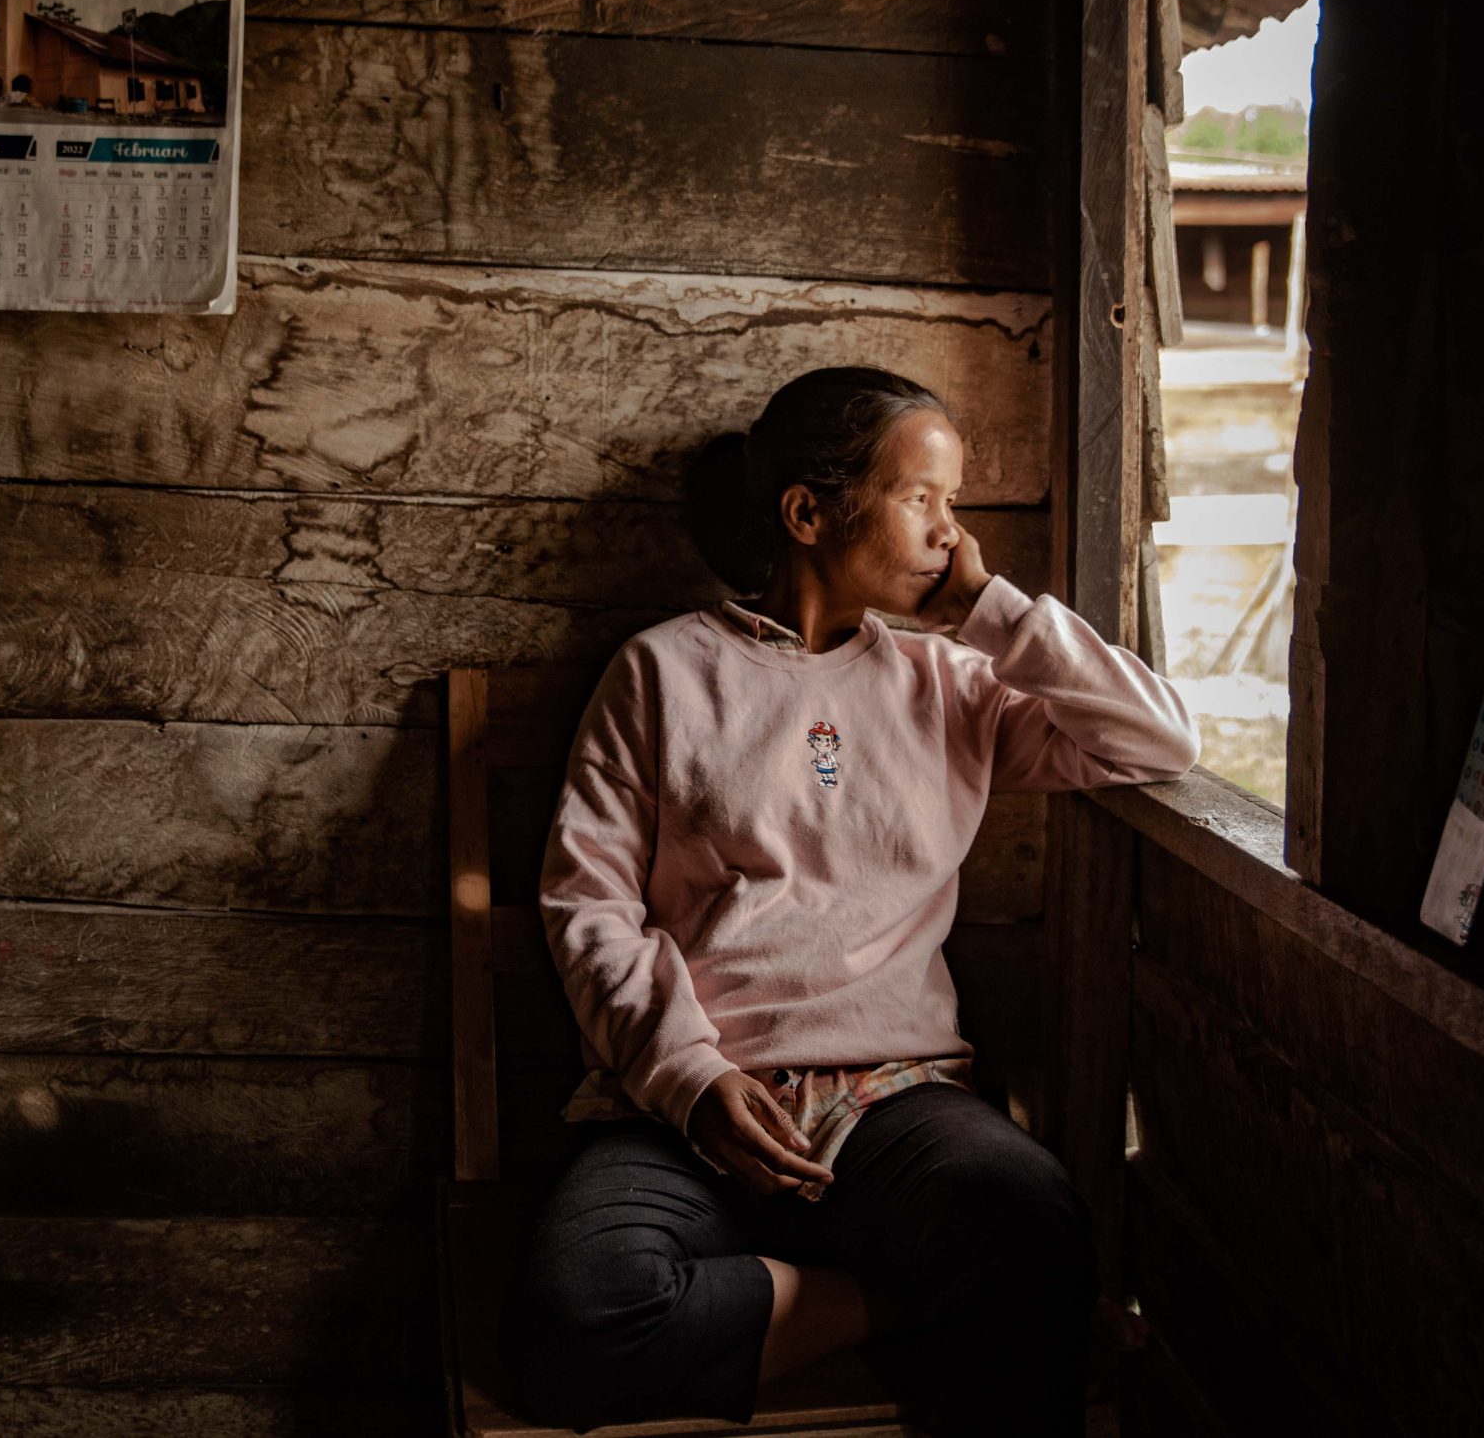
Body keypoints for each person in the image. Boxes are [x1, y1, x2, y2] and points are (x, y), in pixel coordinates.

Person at [497, 366, 1200, 1436]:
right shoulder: (661, 674)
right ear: (808, 513)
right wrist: (691, 1078)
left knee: (1031, 1222)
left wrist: (993, 614)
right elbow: (588, 905)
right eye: (921, 499)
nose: (950, 535)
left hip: (895, 1105)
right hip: (692, 1109)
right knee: (574, 1315)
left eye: (953, 503)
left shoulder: (952, 682)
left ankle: (923, 1293)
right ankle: (906, 1303)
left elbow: (1160, 740)